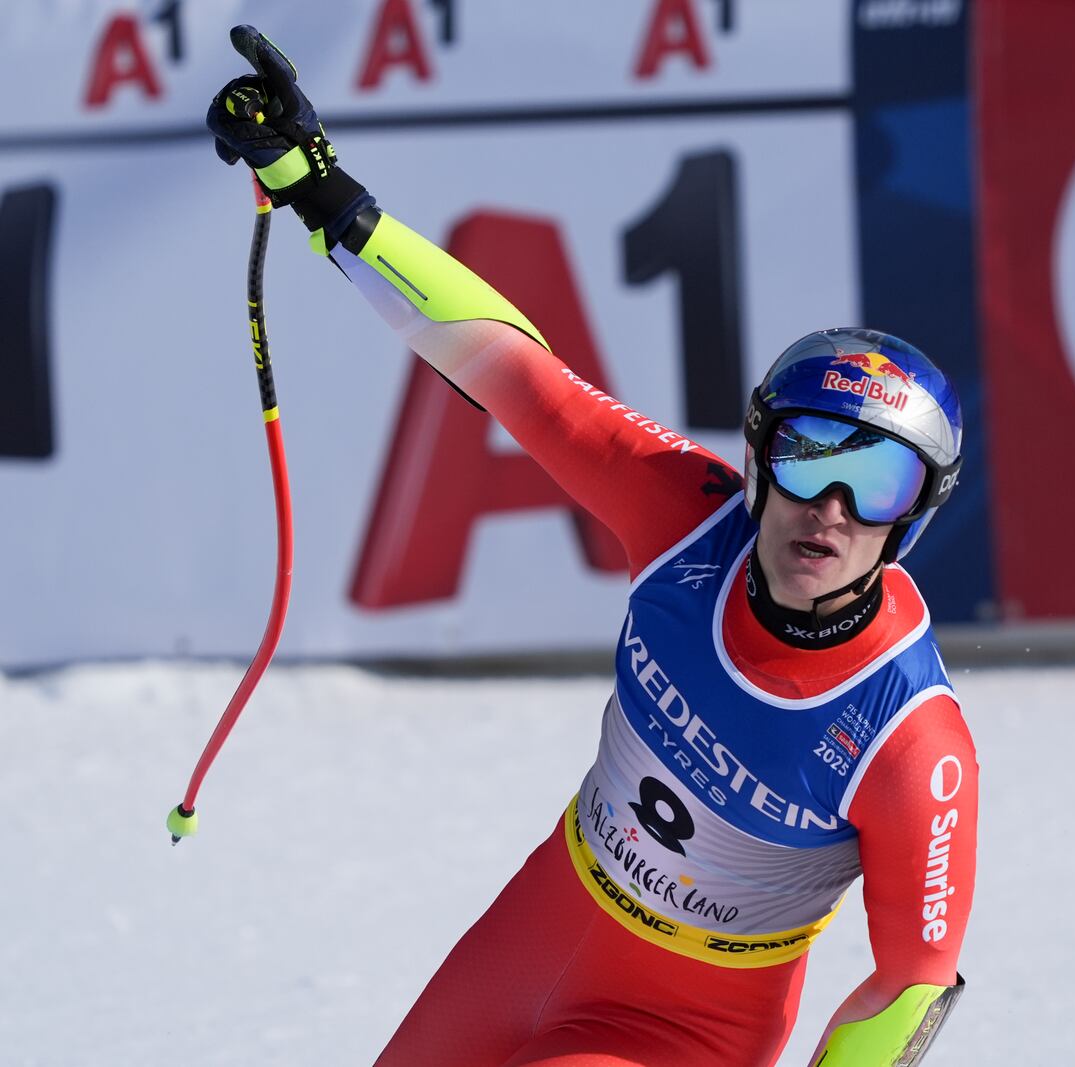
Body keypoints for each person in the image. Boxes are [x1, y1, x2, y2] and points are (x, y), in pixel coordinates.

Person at [207, 26, 978, 1067]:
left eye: (875, 483)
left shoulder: (909, 737)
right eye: (805, 460)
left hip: (686, 1024)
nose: (828, 508)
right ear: (755, 461)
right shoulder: (685, 517)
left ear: (912, 517)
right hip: (537, 931)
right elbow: (510, 371)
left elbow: (911, 979)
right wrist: (323, 195)